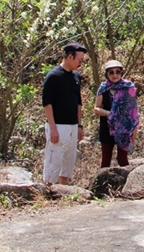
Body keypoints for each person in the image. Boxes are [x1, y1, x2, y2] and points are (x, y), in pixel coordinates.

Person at [42, 42, 87, 185]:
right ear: (69, 57)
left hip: (73, 125)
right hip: (58, 126)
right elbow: (47, 104)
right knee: (53, 160)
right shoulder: (53, 76)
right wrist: (53, 128)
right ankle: (48, 191)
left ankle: (62, 190)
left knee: (68, 161)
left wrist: (79, 126)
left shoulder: (76, 77)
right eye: (79, 60)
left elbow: (78, 103)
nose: (81, 63)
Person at [94, 60, 139, 167]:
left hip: (125, 128)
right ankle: (103, 183)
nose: (115, 75)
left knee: (122, 159)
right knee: (105, 159)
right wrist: (110, 113)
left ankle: (127, 182)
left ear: (121, 73)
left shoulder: (128, 87)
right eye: (111, 72)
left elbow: (134, 111)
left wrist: (135, 129)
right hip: (107, 127)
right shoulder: (103, 88)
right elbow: (96, 108)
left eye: (117, 72)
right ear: (106, 74)